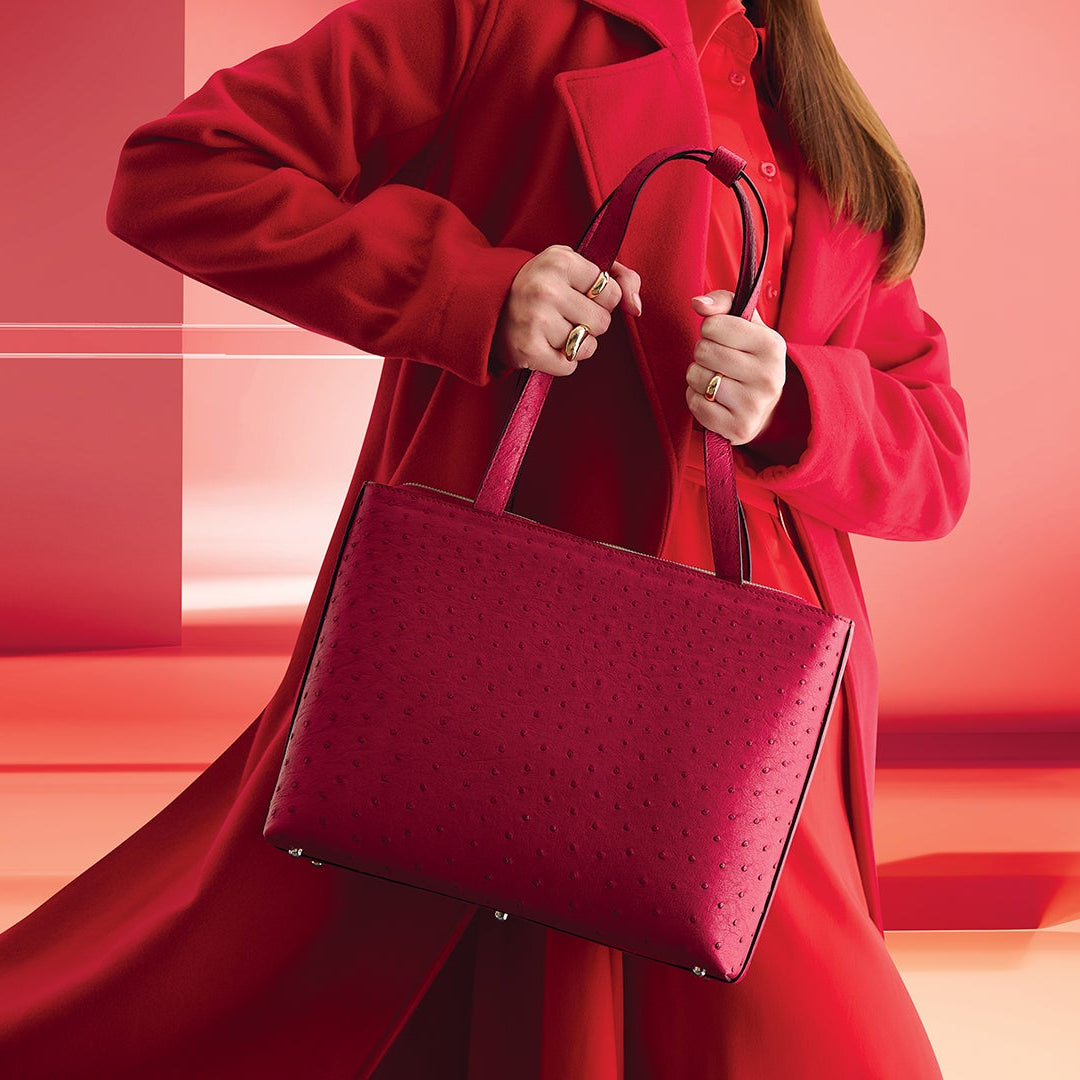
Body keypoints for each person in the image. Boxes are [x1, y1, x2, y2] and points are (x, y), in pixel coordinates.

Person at [0, 0, 969, 1076]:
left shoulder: (810, 102)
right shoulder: (492, 12)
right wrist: (476, 289)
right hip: (527, 649)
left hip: (757, 705)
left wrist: (799, 403)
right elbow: (182, 171)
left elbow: (936, 453)